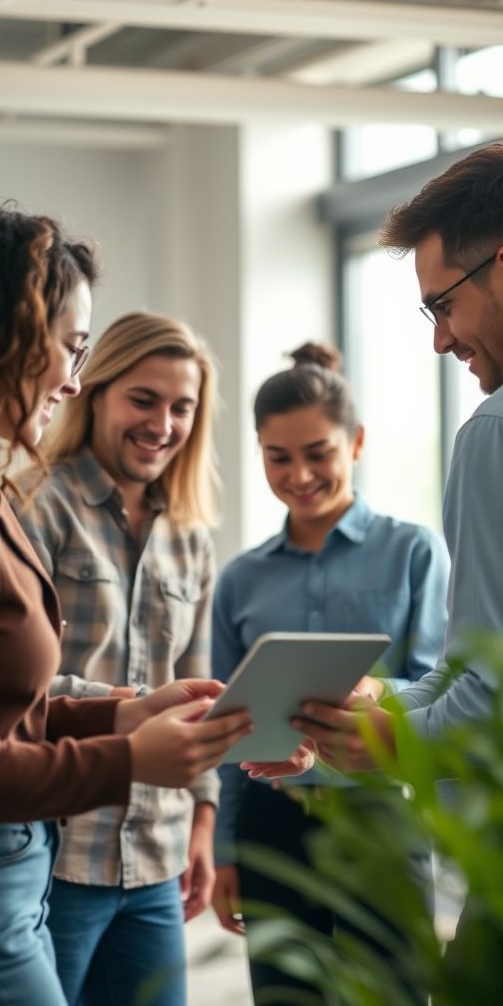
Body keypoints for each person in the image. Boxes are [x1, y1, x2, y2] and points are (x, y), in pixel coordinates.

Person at [0, 193, 254, 1006]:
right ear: (4, 335)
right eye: (70, 350)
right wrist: (130, 755)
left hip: (20, 865)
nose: (71, 382)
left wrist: (121, 715)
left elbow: (11, 704)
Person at [13, 311, 310, 1006]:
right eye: (143, 400)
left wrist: (204, 826)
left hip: (157, 859)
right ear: (94, 392)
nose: (163, 423)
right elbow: (14, 691)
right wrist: (126, 712)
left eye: (182, 407)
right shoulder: (38, 505)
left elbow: (198, 686)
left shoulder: (191, 537)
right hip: (60, 853)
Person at [210, 341, 450, 1004]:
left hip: (379, 814)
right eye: (278, 457)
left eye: (318, 452)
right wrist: (226, 850)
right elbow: (227, 732)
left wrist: (380, 691)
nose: (300, 474)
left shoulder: (413, 552)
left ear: (357, 442)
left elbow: (447, 681)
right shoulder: (240, 580)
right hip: (270, 821)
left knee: (396, 992)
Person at [296, 141, 503, 768]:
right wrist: (375, 714)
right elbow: (472, 671)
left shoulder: (492, 432)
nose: (441, 340)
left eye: (444, 306)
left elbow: (486, 694)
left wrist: (385, 743)